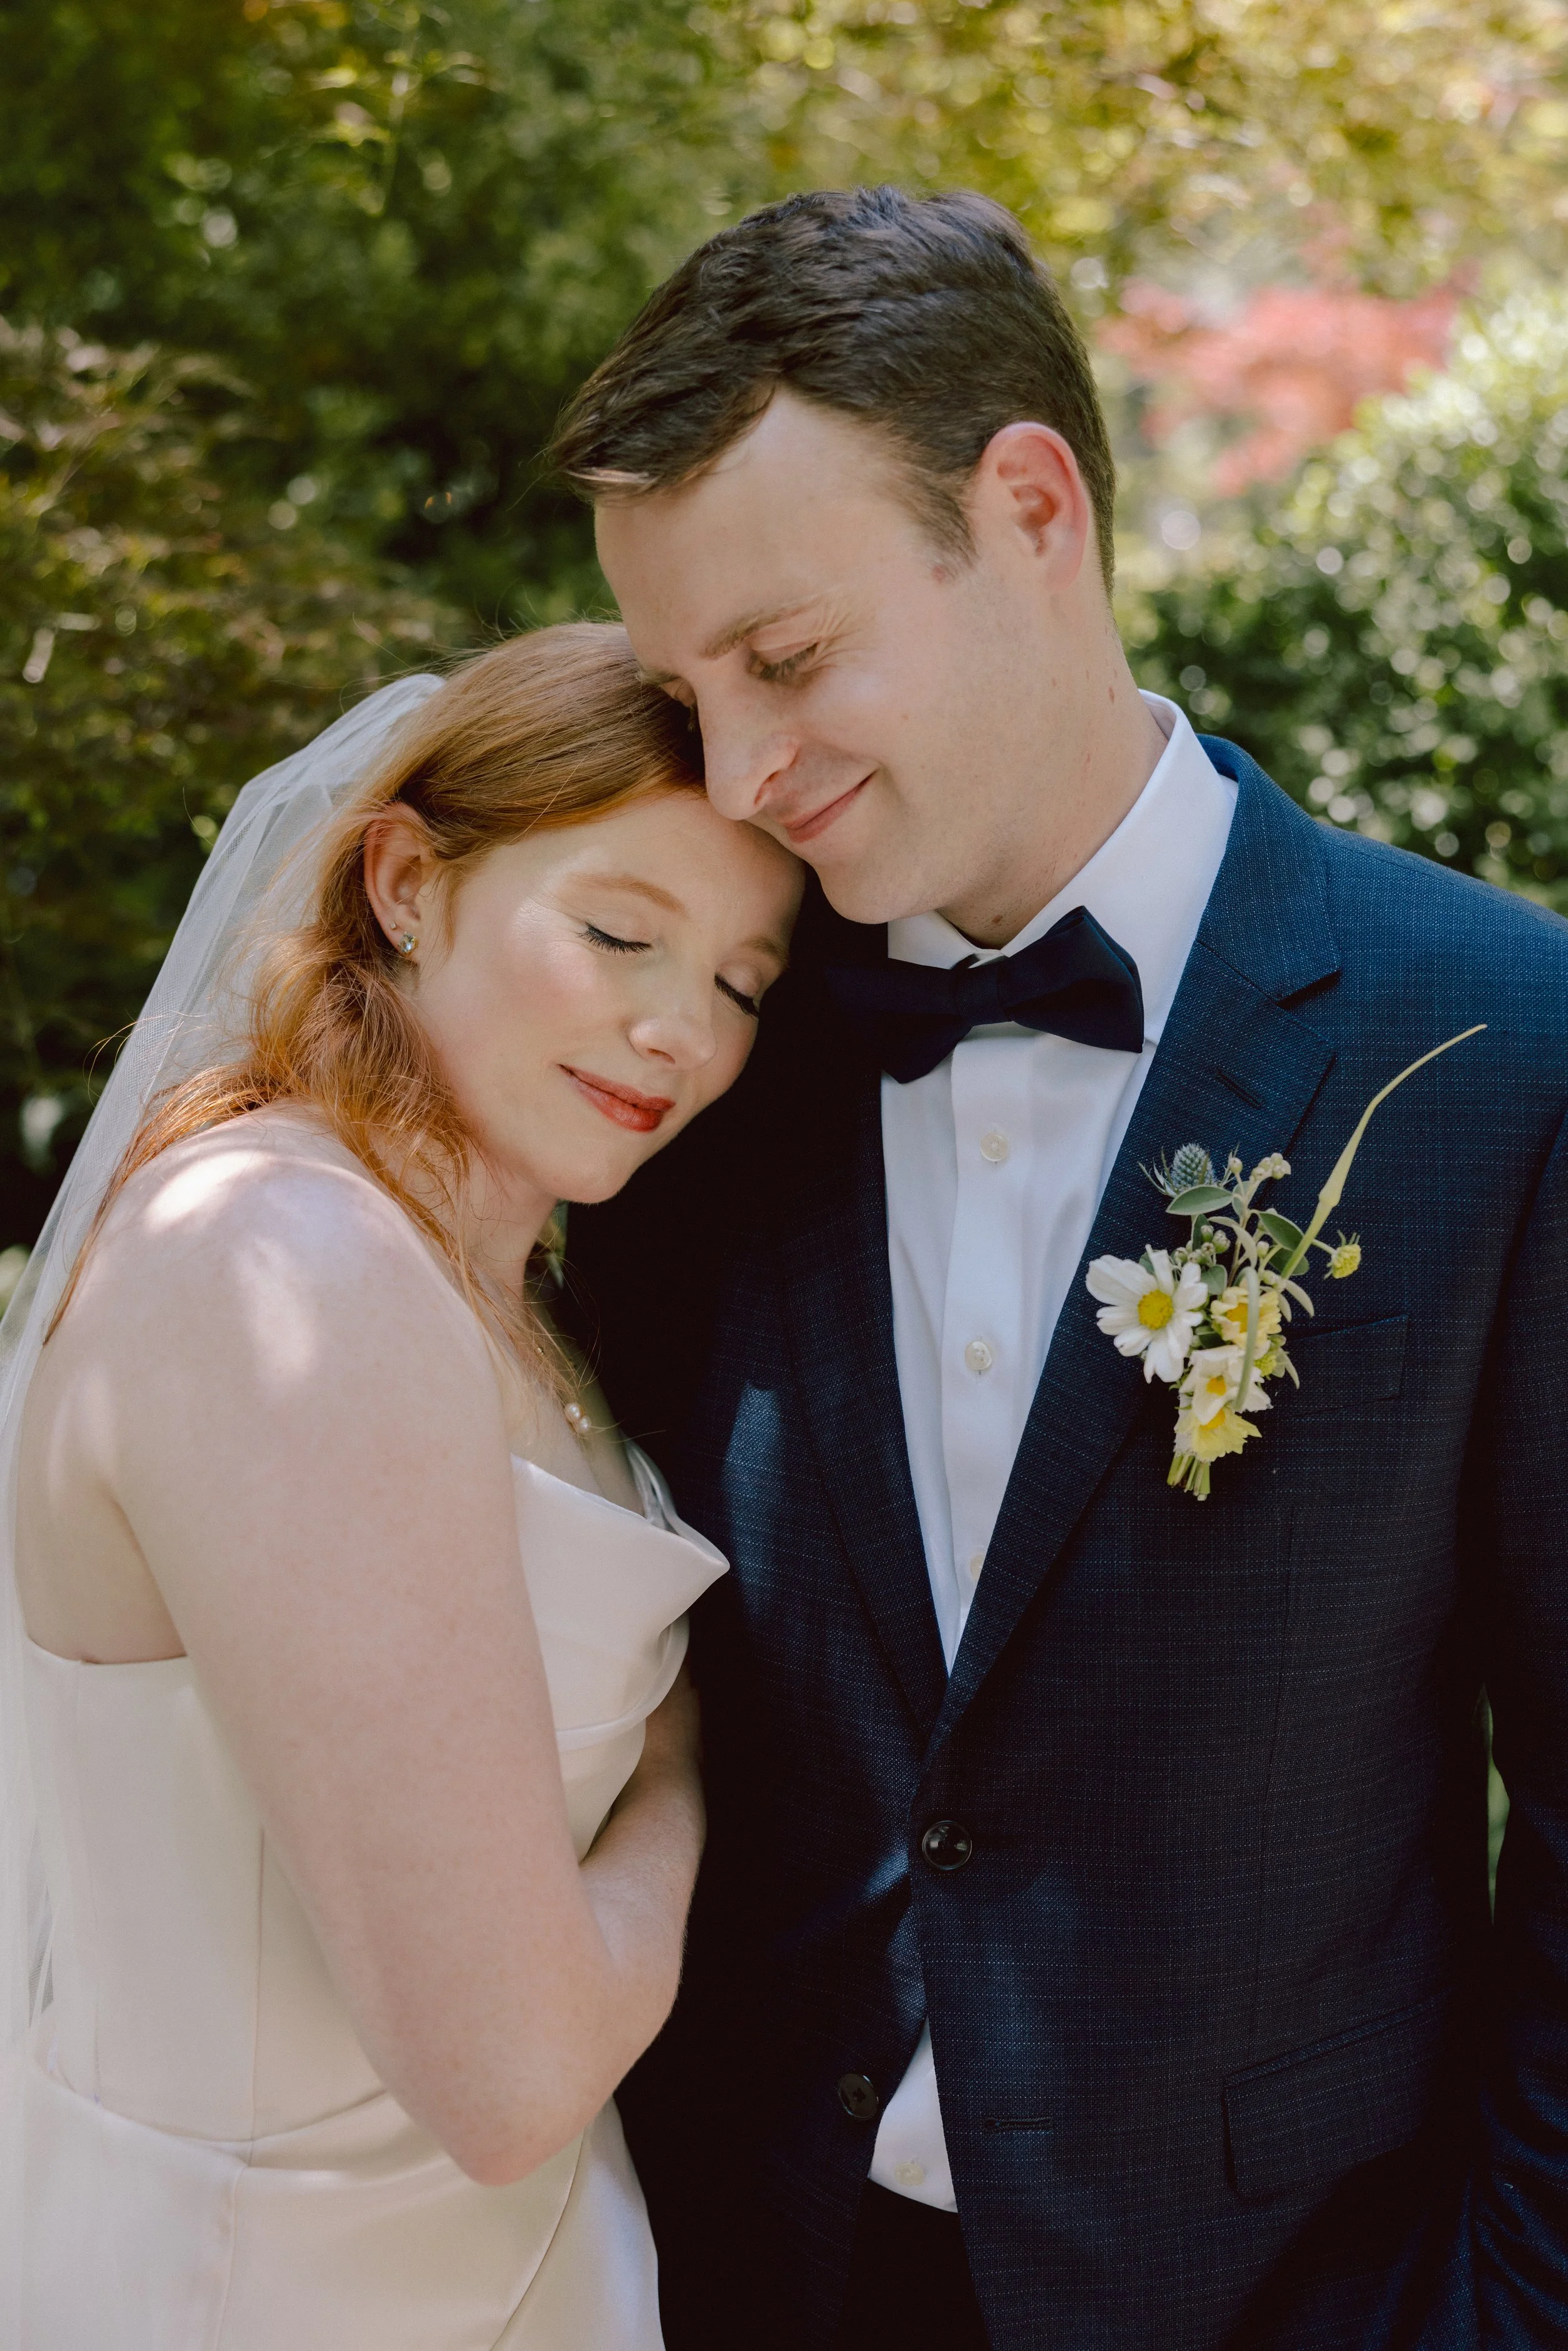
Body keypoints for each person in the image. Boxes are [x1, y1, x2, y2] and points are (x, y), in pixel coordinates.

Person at [553, 186, 1568, 2348]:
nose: (738, 772)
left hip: (1300, 2293)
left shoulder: (1491, 1045)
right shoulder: (687, 1057)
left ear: (1029, 507)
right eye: (681, 689)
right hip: (744, 2279)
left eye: (787, 657)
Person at [0, 622, 802, 2349]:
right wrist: (686, 1773)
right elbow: (508, 2075)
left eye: (741, 981)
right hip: (261, 2292)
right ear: (406, 882)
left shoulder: (504, 1296)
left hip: (493, 2274)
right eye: (616, 931)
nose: (678, 1030)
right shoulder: (280, 1265)